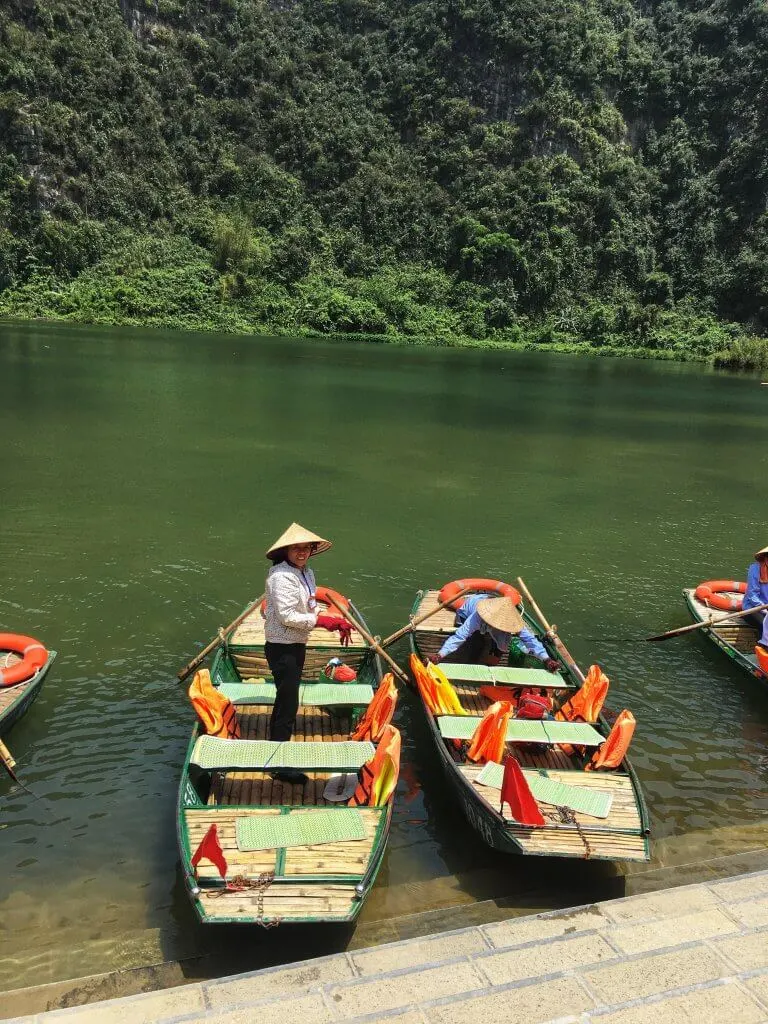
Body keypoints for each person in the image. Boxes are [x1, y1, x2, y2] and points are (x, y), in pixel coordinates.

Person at [264, 522, 351, 784]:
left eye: (306, 548)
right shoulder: (280, 577)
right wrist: (323, 622)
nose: (302, 552)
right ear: (286, 551)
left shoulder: (307, 573)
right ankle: (278, 765)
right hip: (282, 646)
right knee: (288, 702)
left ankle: (275, 750)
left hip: (296, 642)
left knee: (286, 698)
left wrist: (332, 620)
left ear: (312, 550)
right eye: (296, 548)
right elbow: (288, 616)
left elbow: (310, 606)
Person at [432, 594, 561, 672]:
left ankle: (489, 670)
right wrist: (440, 655)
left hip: (494, 625)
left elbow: (530, 640)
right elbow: (459, 636)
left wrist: (547, 659)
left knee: (500, 647)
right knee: (475, 643)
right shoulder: (477, 616)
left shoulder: (512, 620)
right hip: (468, 610)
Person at [744, 545, 768, 648]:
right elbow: (752, 595)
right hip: (754, 608)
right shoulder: (755, 569)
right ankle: (763, 648)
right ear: (765, 558)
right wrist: (765, 609)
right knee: (765, 624)